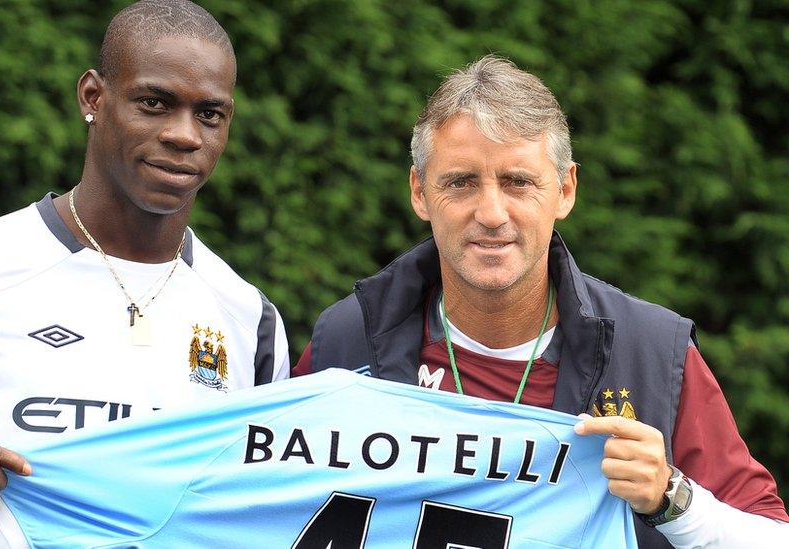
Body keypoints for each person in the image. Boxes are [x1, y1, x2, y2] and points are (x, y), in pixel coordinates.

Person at [0, 1, 289, 546]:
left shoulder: (252, 322)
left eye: (209, 114)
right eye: (154, 103)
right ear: (93, 96)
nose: (184, 135)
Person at [294, 55, 787, 548]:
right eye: (461, 182)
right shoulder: (345, 340)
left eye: (518, 182)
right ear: (420, 192)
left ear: (565, 190)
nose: (490, 213)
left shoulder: (654, 353)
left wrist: (671, 499)